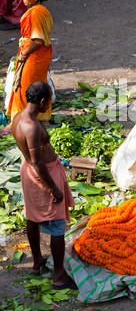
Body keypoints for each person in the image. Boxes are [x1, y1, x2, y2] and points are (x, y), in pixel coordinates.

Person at [11, 81, 76, 289]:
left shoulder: (19, 117)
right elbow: (38, 162)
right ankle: (58, 276)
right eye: (49, 100)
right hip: (42, 174)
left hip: (28, 171)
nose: (50, 104)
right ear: (41, 101)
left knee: (32, 216)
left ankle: (37, 262)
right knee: (57, 224)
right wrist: (53, 188)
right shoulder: (31, 127)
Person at [0, 0, 54, 135]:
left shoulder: (36, 13)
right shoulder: (42, 10)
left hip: (34, 55)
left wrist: (24, 53)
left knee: (23, 87)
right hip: (43, 55)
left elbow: (38, 40)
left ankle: (14, 124)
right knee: (41, 84)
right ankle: (44, 119)